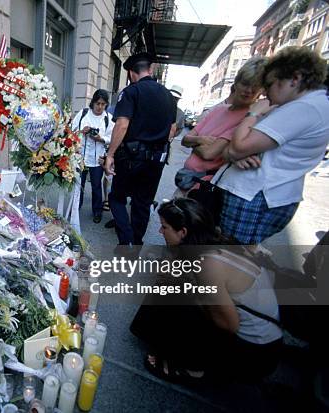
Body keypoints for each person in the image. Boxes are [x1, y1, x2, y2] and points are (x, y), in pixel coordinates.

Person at [130, 198, 283, 383]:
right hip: (262, 345)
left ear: (183, 232)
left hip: (255, 354)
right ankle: (152, 336)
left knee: (177, 297)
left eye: (164, 227)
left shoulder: (209, 264)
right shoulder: (216, 243)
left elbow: (229, 325)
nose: (160, 231)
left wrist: (192, 295)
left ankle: (192, 368)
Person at [217, 46, 329, 244]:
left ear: (294, 79)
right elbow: (231, 152)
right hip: (256, 194)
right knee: (230, 255)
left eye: (269, 84)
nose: (266, 92)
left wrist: (253, 113)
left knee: (229, 258)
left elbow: (237, 147)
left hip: (255, 197)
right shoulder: (301, 106)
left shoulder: (305, 108)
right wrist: (234, 153)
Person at [104, 52, 177, 245]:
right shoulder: (168, 95)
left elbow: (122, 125)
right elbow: (172, 129)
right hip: (156, 160)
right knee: (142, 203)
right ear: (150, 69)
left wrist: (110, 155)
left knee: (116, 198)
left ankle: (126, 240)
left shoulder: (131, 92)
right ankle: (136, 244)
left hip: (131, 158)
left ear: (130, 73)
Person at [174, 57, 266, 197]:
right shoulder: (218, 110)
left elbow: (208, 154)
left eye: (255, 87)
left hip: (203, 187)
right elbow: (185, 139)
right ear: (236, 83)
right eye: (245, 83)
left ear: (260, 91)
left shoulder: (247, 119)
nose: (249, 90)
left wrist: (195, 141)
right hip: (186, 179)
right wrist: (202, 140)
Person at [72, 89, 115, 223]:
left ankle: (97, 211)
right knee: (79, 185)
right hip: (81, 157)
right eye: (98, 103)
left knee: (96, 186)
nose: (100, 107)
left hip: (97, 159)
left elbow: (112, 137)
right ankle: (75, 209)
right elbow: (72, 130)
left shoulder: (108, 118)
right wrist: (81, 132)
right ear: (93, 102)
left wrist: (101, 139)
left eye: (103, 104)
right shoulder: (83, 113)